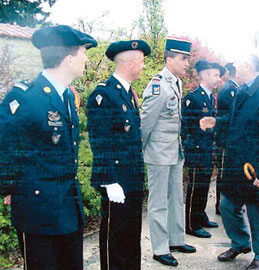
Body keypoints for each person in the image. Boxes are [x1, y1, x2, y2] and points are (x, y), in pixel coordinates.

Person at [0, 25, 97, 270]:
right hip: (38, 214)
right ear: (68, 59)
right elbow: (5, 147)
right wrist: (9, 189)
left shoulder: (66, 97)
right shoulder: (24, 98)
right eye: (83, 53)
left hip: (68, 209)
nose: (86, 59)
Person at [200, 54, 259, 270]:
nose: (233, 65)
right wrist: (216, 122)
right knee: (228, 206)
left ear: (248, 65)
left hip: (255, 168)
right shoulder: (243, 90)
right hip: (236, 163)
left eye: (237, 61)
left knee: (257, 212)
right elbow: (235, 120)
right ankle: (240, 243)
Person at [86, 40, 150, 270]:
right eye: (142, 62)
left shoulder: (128, 94)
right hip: (116, 183)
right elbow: (99, 142)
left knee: (132, 239)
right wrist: (109, 180)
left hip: (132, 180)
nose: (144, 67)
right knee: (116, 241)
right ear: (130, 62)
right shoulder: (104, 95)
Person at [141, 37, 196, 267]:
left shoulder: (176, 82)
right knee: (158, 201)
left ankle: (176, 239)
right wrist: (139, 150)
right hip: (159, 152)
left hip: (175, 151)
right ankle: (160, 248)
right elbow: (145, 123)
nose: (187, 64)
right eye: (183, 59)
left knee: (177, 199)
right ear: (169, 58)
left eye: (187, 59)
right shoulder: (158, 85)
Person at [181, 60, 223, 238]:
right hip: (197, 150)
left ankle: (201, 215)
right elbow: (187, 127)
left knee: (204, 185)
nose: (219, 79)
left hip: (206, 149)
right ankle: (191, 223)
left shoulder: (209, 97)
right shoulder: (194, 98)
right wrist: (190, 150)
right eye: (215, 75)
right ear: (204, 75)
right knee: (196, 186)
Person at [214, 62, 240, 215]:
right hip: (226, 140)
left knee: (228, 174)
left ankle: (225, 204)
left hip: (230, 140)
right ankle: (221, 206)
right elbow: (233, 115)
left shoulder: (233, 88)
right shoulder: (229, 90)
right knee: (224, 174)